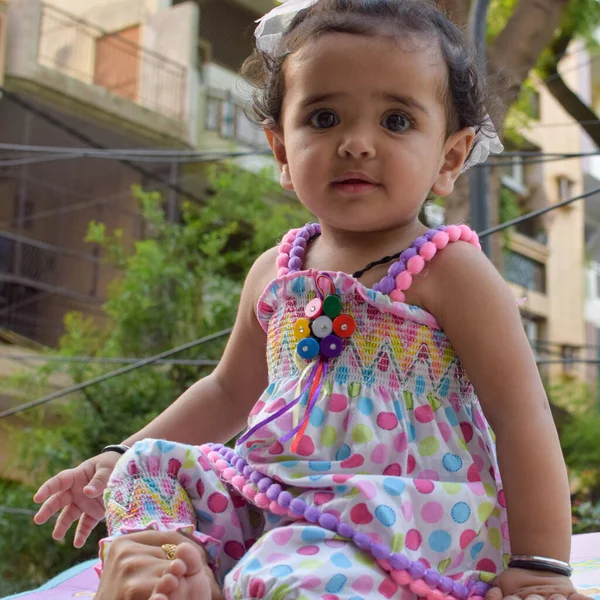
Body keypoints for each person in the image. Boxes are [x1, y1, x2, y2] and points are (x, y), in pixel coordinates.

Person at [32, 1, 586, 599]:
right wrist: (119, 452)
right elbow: (226, 392)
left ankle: (233, 581)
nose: (355, 144)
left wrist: (539, 566)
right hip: (273, 493)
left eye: (396, 121)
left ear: (449, 158)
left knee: (292, 582)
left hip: (395, 520)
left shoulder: (452, 271)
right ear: (280, 150)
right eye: (323, 118)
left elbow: (521, 417)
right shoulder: (274, 270)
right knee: (143, 470)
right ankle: (176, 568)